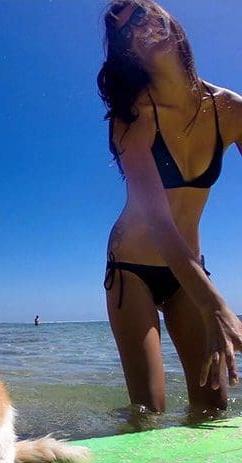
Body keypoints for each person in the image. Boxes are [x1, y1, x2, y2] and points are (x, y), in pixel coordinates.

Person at [98, 0, 242, 413]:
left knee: (214, 409)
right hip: (132, 269)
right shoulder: (132, 117)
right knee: (149, 412)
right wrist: (216, 304)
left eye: (142, 16)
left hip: (189, 271)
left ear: (166, 18)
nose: (138, 30)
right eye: (126, 33)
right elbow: (159, 222)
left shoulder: (231, 110)